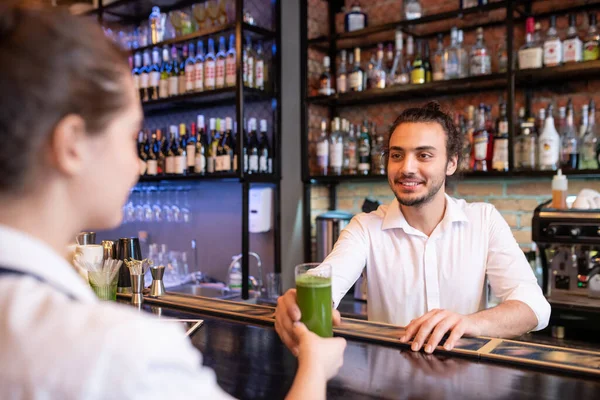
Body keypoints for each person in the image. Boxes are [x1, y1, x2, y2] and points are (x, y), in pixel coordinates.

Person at [0, 3, 345, 400]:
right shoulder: (121, 352)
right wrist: (315, 366)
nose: (137, 165)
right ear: (73, 144)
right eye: (132, 135)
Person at [276, 102, 551, 355]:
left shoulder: (484, 220)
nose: (407, 168)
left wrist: (469, 324)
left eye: (424, 155)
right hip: (388, 386)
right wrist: (298, 303)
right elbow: (327, 282)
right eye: (397, 155)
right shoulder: (365, 227)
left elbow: (534, 307)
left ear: (451, 163)